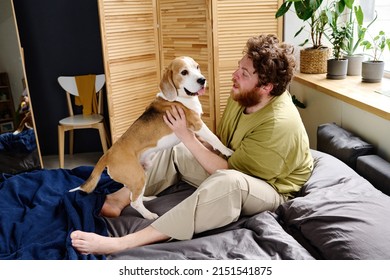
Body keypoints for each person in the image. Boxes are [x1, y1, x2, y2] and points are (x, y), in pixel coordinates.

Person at [70, 34, 313, 255]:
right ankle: (120, 198)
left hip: (270, 187)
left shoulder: (277, 125)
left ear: (266, 87)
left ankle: (125, 242)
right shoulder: (242, 96)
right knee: (176, 145)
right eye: (239, 67)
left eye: (244, 73)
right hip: (237, 164)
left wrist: (188, 135)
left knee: (226, 181)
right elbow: (220, 147)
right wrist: (184, 136)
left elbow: (228, 172)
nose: (234, 75)